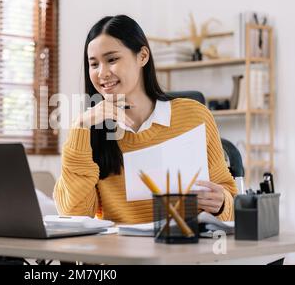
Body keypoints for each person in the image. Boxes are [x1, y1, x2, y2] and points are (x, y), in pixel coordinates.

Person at [53, 15, 237, 223]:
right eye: (94, 64)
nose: (102, 73)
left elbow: (231, 201)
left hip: (184, 247)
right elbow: (74, 215)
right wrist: (80, 127)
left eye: (112, 59)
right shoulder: (90, 131)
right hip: (118, 253)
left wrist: (221, 202)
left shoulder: (194, 116)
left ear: (142, 56)